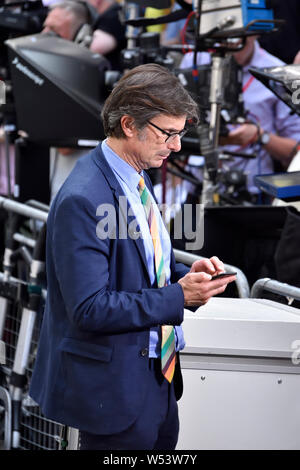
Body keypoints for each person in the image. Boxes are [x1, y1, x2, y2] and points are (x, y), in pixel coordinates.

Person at [29, 63, 236, 450]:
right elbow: (89, 307)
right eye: (169, 133)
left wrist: (186, 272)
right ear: (129, 125)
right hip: (114, 395)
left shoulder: (134, 174)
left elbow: (138, 263)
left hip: (156, 381)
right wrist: (179, 297)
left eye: (180, 133)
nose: (176, 145)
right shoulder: (83, 197)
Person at [180, 36, 300, 199]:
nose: (231, 41)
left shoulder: (277, 72)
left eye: (240, 35)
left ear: (255, 33)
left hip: (252, 195)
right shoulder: (193, 60)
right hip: (194, 187)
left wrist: (259, 136)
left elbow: (295, 151)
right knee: (187, 224)